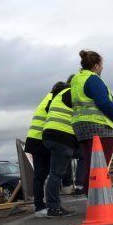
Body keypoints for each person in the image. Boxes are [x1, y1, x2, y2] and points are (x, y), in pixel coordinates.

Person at [71, 50, 113, 194]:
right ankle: (101, 202)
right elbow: (104, 102)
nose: (102, 67)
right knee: (101, 165)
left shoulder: (76, 80)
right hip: (99, 126)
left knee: (90, 165)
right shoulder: (93, 79)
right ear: (96, 65)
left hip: (81, 127)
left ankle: (92, 200)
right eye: (101, 64)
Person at [42, 80, 78, 217]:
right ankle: (54, 208)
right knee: (56, 174)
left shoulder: (55, 98)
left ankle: (73, 185)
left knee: (55, 173)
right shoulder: (69, 92)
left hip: (50, 136)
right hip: (62, 137)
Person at [24, 90, 53, 218]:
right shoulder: (53, 99)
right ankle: (40, 206)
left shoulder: (47, 97)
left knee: (40, 175)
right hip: (39, 141)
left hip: (36, 140)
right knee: (40, 175)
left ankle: (40, 205)